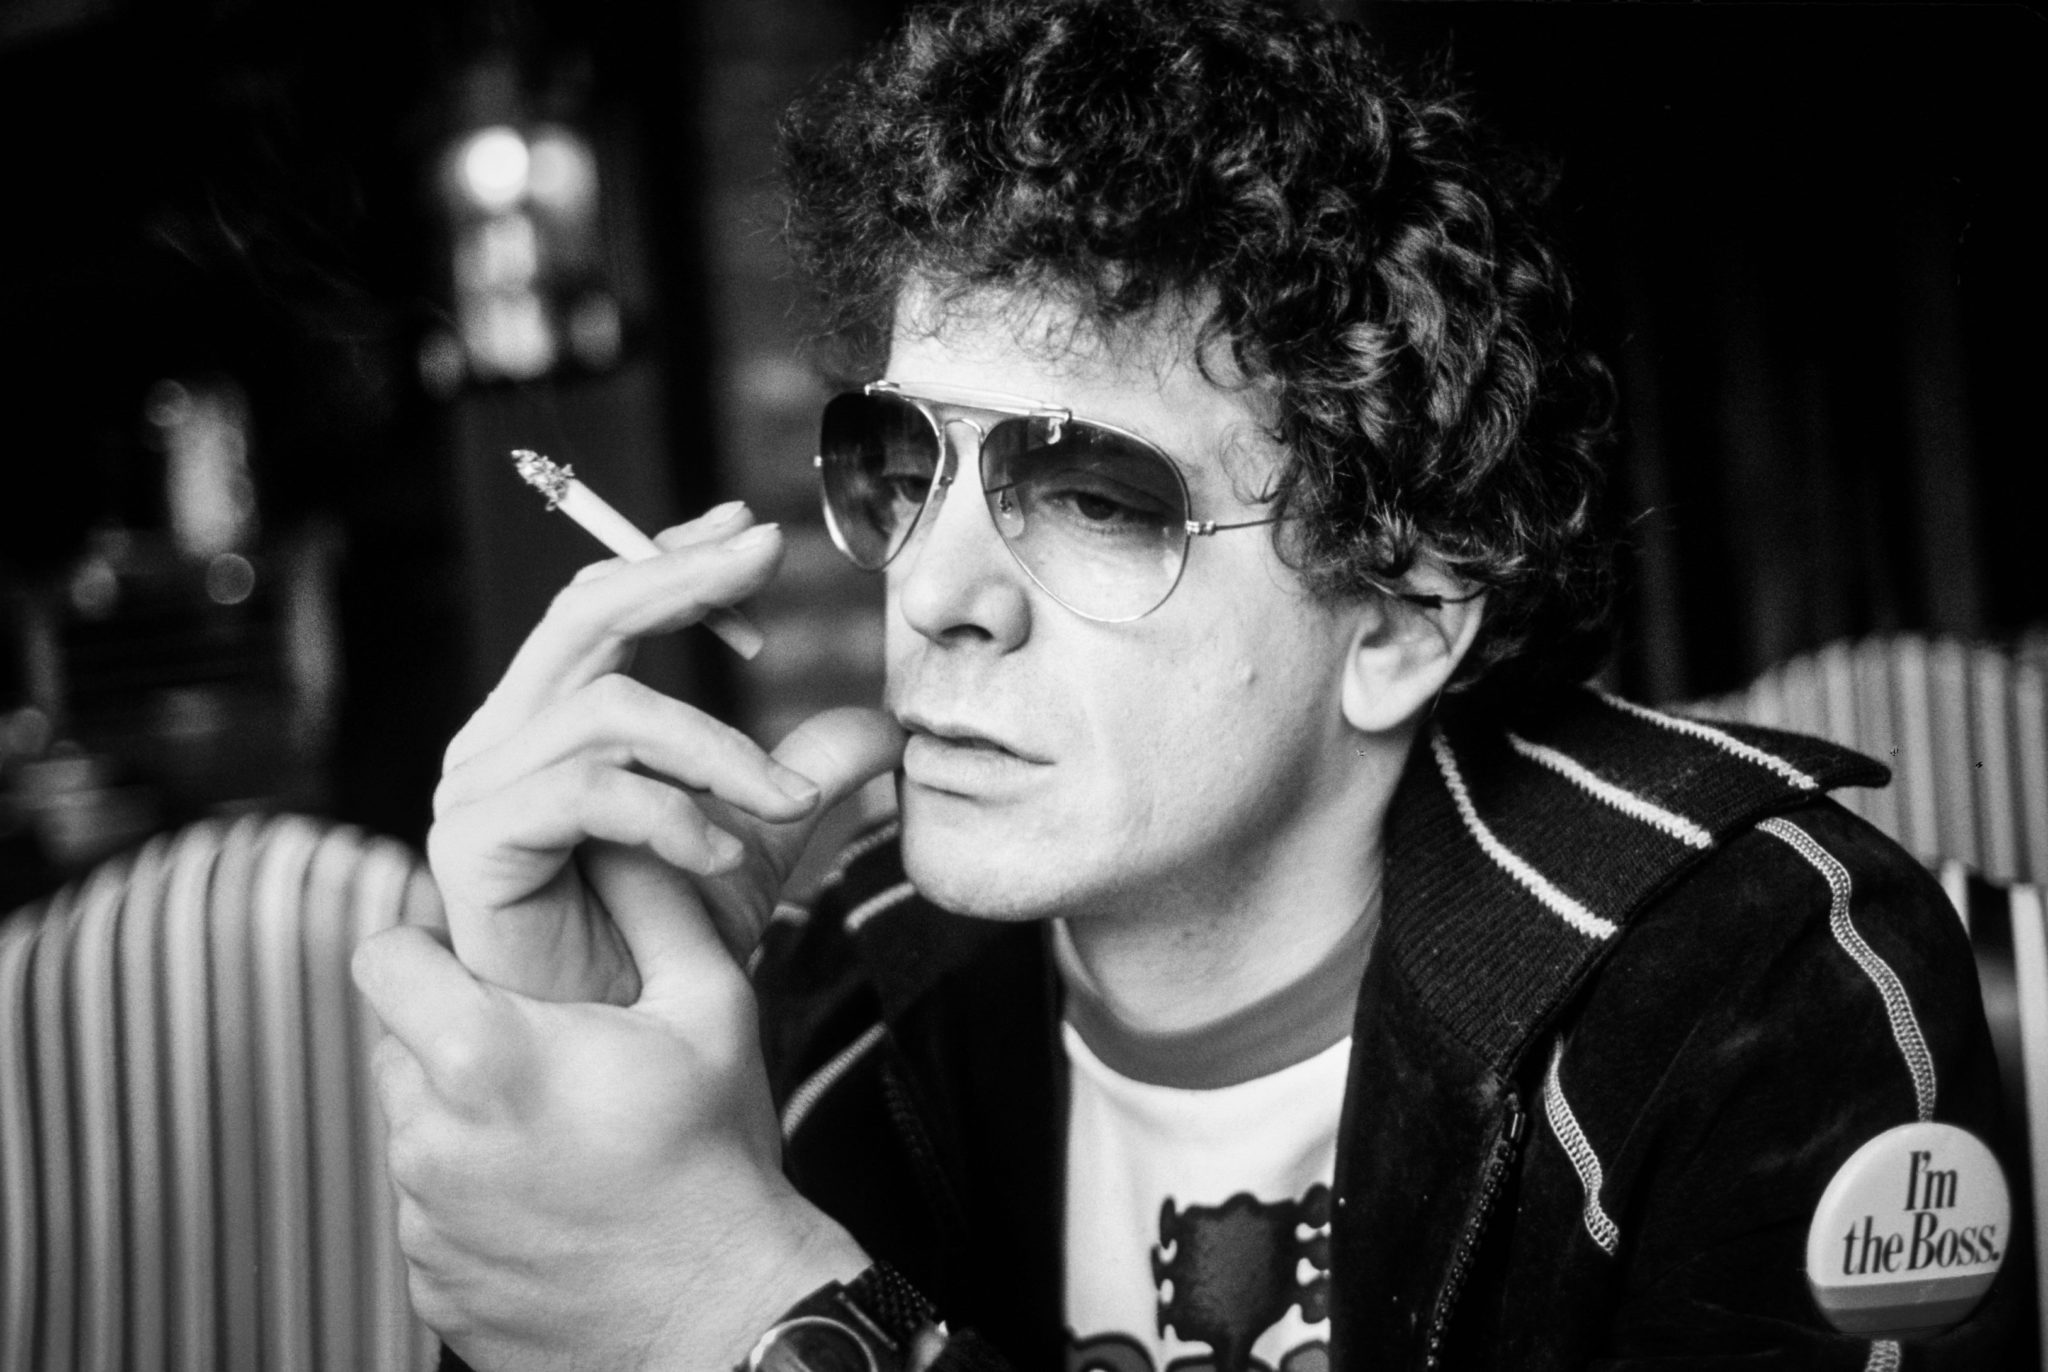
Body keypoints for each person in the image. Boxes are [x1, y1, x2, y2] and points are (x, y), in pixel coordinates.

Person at [351, 1, 2017, 1368]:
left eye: (1093, 495)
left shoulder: (1755, 997)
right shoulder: (826, 992)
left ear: (1399, 621)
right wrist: (585, 1127)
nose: (929, 593)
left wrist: (750, 1322)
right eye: (906, 466)